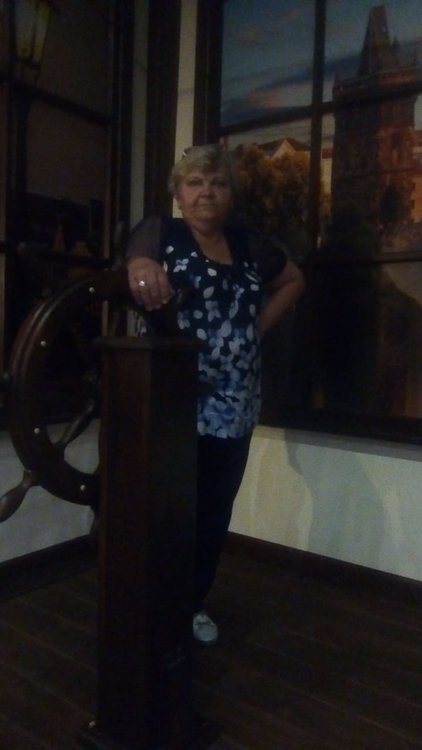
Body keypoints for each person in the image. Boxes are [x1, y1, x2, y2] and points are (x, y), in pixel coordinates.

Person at [126, 144, 305, 645]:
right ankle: (149, 604)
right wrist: (140, 268)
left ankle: (192, 604)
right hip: (172, 401)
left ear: (230, 193)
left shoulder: (248, 244)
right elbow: (136, 260)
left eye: (218, 183)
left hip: (236, 403)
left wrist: (258, 326)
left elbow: (294, 280)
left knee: (213, 510)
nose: (206, 192)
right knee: (165, 509)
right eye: (195, 182)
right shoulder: (163, 233)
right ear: (179, 193)